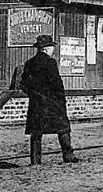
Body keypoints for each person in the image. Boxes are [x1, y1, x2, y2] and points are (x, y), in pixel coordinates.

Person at [19, 34, 79, 165]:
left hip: (36, 103)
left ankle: (35, 161)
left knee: (36, 132)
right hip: (52, 102)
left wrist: (33, 94)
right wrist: (61, 98)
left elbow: (23, 83)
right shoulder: (50, 63)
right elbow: (56, 83)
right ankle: (68, 155)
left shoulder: (29, 63)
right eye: (52, 47)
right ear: (46, 49)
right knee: (63, 128)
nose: (53, 50)